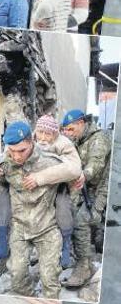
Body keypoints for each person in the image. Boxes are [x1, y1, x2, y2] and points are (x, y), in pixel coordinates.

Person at [0, 115, 83, 269]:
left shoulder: (63, 143)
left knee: (62, 205)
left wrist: (41, 177)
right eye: (40, 132)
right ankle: (3, 243)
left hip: (56, 182)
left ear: (56, 134)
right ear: (34, 133)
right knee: (4, 196)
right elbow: (6, 154)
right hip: (27, 183)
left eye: (48, 134)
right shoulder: (26, 139)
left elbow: (74, 168)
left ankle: (65, 244)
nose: (43, 137)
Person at [0, 122, 66, 299]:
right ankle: (31, 298)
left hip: (47, 228)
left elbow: (70, 189)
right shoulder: (5, 165)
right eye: (12, 150)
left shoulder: (52, 163)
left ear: (31, 142)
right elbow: (2, 184)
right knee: (17, 276)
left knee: (50, 279)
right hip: (20, 228)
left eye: (22, 150)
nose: (16, 156)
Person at [61, 110, 111, 288]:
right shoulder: (78, 140)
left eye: (71, 129)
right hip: (86, 188)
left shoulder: (99, 138)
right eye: (65, 130)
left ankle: (84, 267)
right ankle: (76, 251)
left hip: (103, 189)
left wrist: (84, 174)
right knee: (68, 211)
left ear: (82, 123)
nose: (68, 133)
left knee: (82, 220)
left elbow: (95, 165)